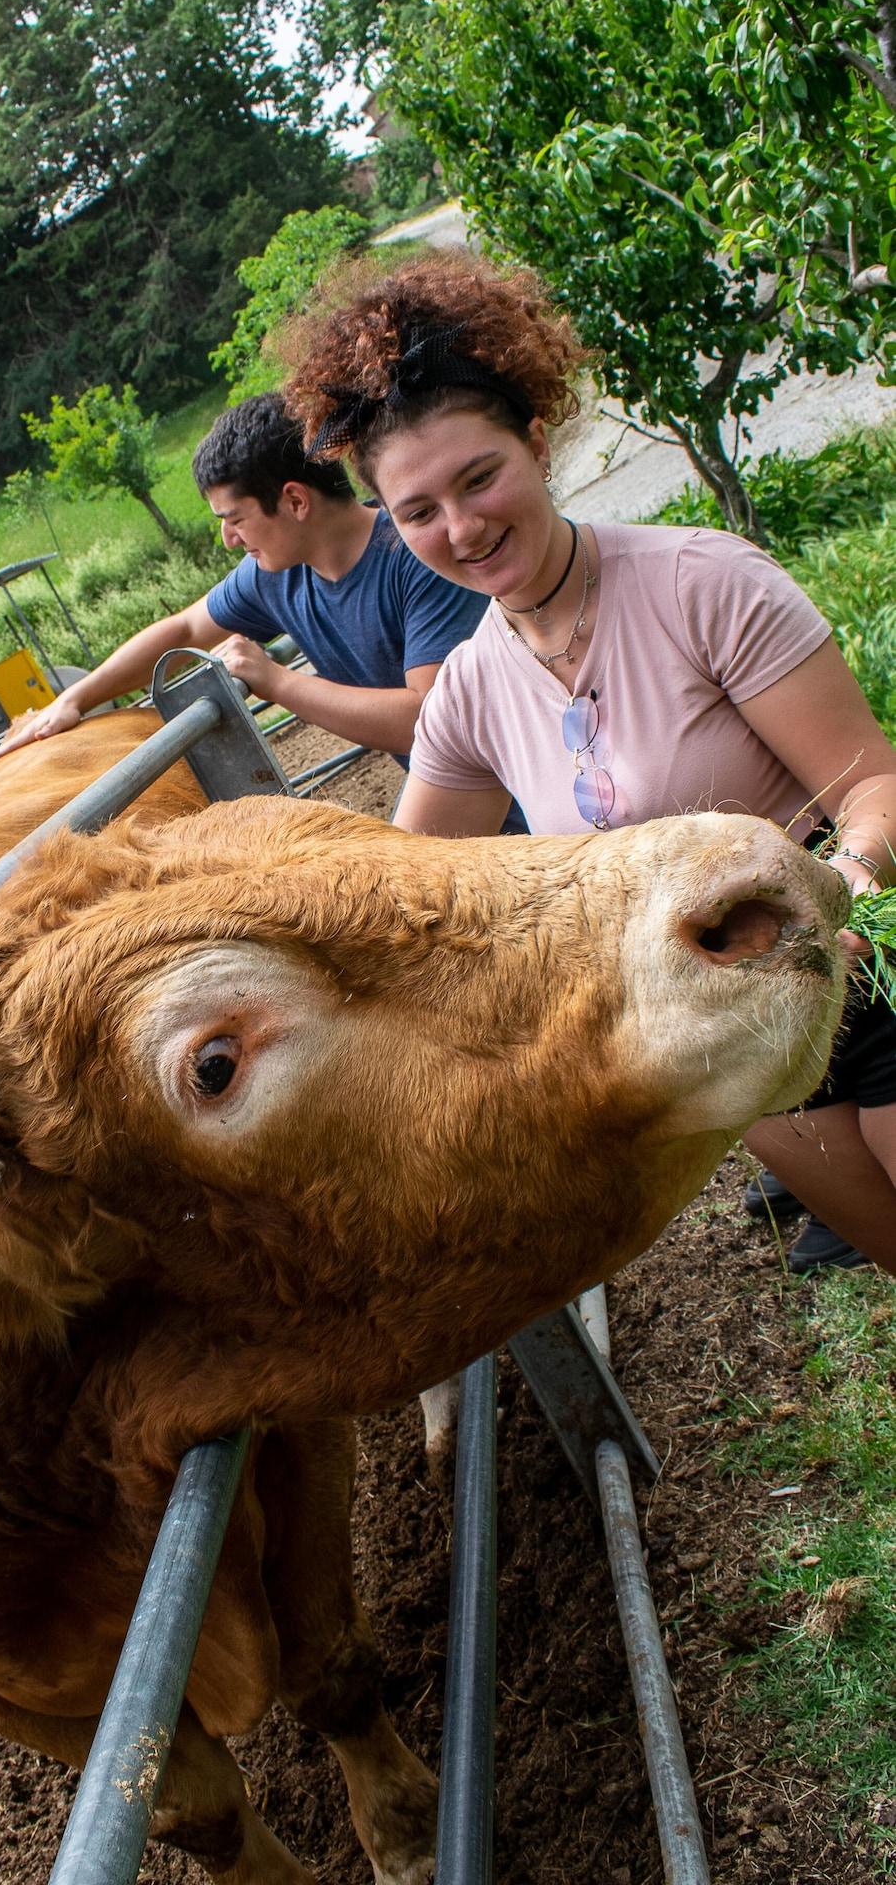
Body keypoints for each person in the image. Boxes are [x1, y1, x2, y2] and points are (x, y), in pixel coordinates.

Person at [278, 249, 896, 1275]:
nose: (462, 528)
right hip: (740, 1046)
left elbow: (872, 780)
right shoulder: (470, 691)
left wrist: (851, 884)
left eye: (479, 478)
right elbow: (396, 903)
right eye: (419, 511)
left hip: (861, 964)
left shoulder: (700, 583)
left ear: (535, 440)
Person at [0, 391, 500, 773]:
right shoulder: (278, 574)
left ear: (295, 501)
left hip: (517, 792)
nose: (229, 539)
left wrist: (276, 681)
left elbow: (426, 718)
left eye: (235, 519)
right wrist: (74, 699)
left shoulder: (416, 556)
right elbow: (185, 630)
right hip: (458, 791)